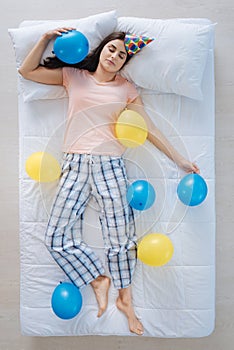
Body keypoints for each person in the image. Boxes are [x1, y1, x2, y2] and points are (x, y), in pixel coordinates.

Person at [19, 27, 200, 336]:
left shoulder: (126, 89)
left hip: (110, 164)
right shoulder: (73, 76)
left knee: (121, 238)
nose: (115, 56)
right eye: (112, 49)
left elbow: (149, 129)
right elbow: (27, 71)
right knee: (56, 238)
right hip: (74, 162)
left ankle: (125, 300)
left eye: (122, 54)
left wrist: (179, 158)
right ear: (101, 49)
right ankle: (97, 278)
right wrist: (46, 37)